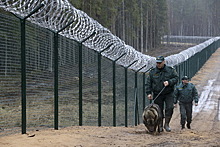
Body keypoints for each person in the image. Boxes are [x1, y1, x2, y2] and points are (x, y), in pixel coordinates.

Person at [145, 56, 179, 132]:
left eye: (160, 63)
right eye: (157, 63)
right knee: (159, 110)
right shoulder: (152, 72)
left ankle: (166, 124)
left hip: (168, 93)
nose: (159, 64)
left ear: (164, 62)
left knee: (170, 107)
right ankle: (160, 125)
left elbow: (176, 78)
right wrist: (149, 93)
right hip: (157, 94)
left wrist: (169, 82)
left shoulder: (170, 70)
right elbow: (148, 83)